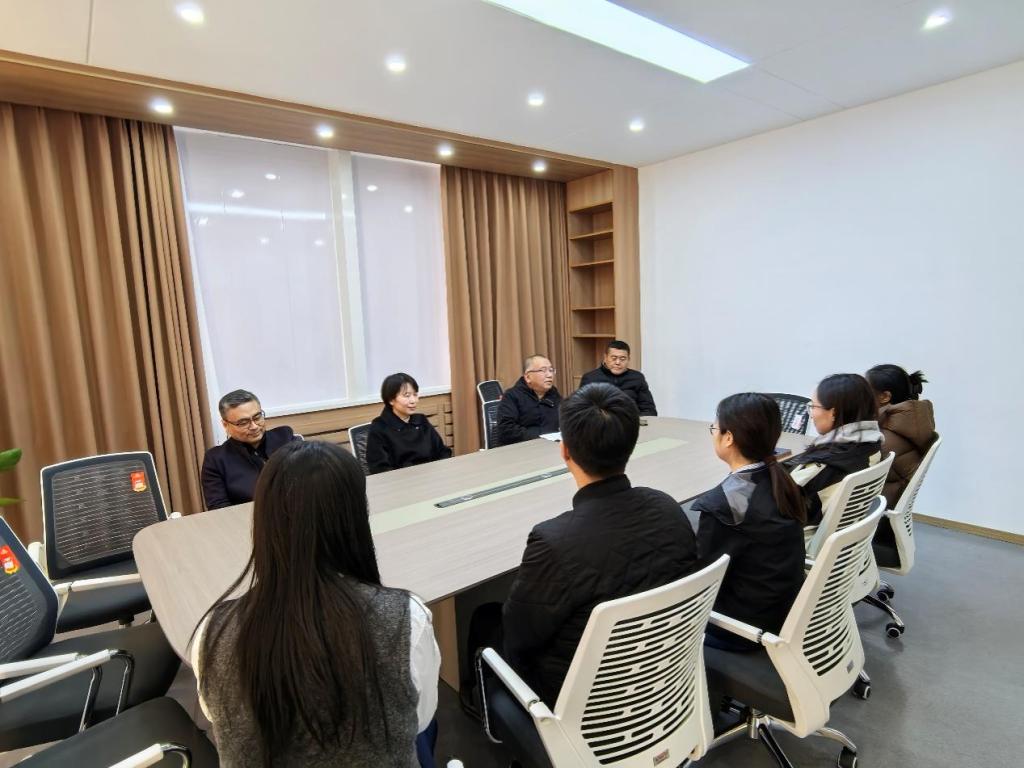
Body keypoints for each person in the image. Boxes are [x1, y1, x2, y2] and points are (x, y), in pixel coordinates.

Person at [191, 440, 441, 767]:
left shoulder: (213, 632)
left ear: (265, 519)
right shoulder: (406, 618)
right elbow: (421, 718)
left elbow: (219, 717)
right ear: (355, 516)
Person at [502, 383, 697, 706]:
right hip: (665, 679)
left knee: (486, 622)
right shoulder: (668, 507)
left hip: (585, 702)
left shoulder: (553, 541)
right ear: (632, 444)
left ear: (565, 450)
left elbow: (519, 639)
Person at [692, 393, 806, 651]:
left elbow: (700, 579)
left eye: (714, 428)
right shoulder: (782, 480)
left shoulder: (725, 505)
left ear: (729, 438)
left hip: (743, 628)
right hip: (784, 611)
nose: (713, 434)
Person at [785, 373, 883, 526]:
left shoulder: (822, 466)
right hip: (838, 529)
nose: (811, 415)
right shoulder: (872, 443)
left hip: (800, 534)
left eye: (813, 406)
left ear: (833, 413)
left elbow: (776, 505)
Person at [200, 389, 298, 510]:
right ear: (225, 425)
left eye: (257, 417)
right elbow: (219, 507)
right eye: (243, 422)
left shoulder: (285, 437)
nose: (254, 426)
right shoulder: (216, 459)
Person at [866, 365, 936, 508]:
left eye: (864, 390)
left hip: (873, 508)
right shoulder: (908, 423)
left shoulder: (883, 439)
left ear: (885, 397)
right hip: (887, 500)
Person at [366, 373, 452, 475]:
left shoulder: (421, 420)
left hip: (431, 476)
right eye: (407, 396)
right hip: (400, 481)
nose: (413, 401)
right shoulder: (379, 427)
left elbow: (443, 451)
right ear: (391, 400)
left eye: (415, 395)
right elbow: (380, 469)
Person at [495, 355, 562, 446]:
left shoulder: (554, 395)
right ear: (528, 377)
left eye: (551, 370)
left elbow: (565, 420)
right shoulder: (512, 396)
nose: (550, 375)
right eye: (543, 370)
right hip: (521, 448)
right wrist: (540, 438)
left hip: (550, 446)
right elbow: (506, 429)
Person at [579, 339, 657, 415]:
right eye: (614, 358)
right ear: (605, 358)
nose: (618, 362)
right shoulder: (590, 378)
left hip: (631, 421)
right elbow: (581, 410)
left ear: (628, 359)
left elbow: (649, 410)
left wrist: (633, 419)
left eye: (622, 359)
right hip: (602, 422)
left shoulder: (637, 378)